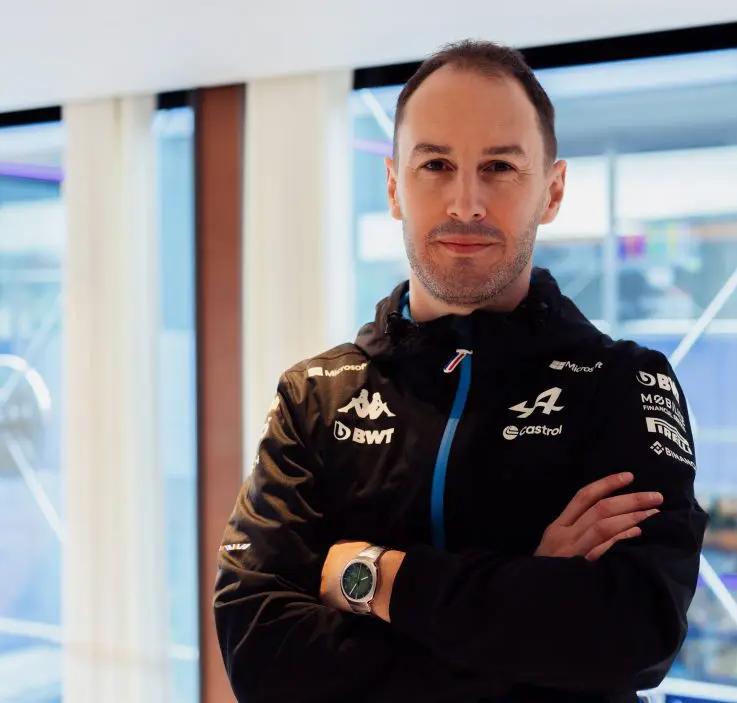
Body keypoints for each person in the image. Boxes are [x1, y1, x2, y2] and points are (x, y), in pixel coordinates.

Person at [214, 39, 708, 703]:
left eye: (499, 166)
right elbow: (261, 655)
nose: (466, 203)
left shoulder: (622, 385)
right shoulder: (314, 399)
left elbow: (634, 633)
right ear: (395, 185)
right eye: (436, 165)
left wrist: (375, 579)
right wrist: (528, 590)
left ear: (552, 190)